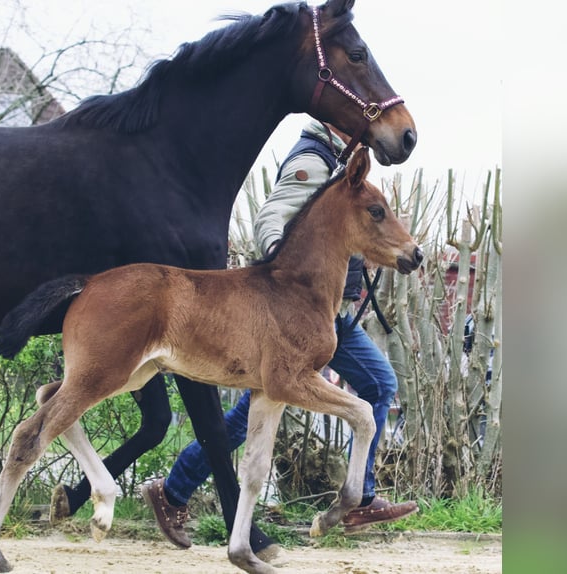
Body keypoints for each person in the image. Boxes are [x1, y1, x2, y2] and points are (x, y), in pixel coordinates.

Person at [141, 118, 419, 550]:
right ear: (335, 125)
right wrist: (286, 280)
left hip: (327, 312)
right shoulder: (313, 161)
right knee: (274, 402)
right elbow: (272, 217)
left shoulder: (343, 169)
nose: (363, 132)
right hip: (297, 313)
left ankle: (358, 495)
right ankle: (176, 489)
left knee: (356, 386)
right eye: (354, 124)